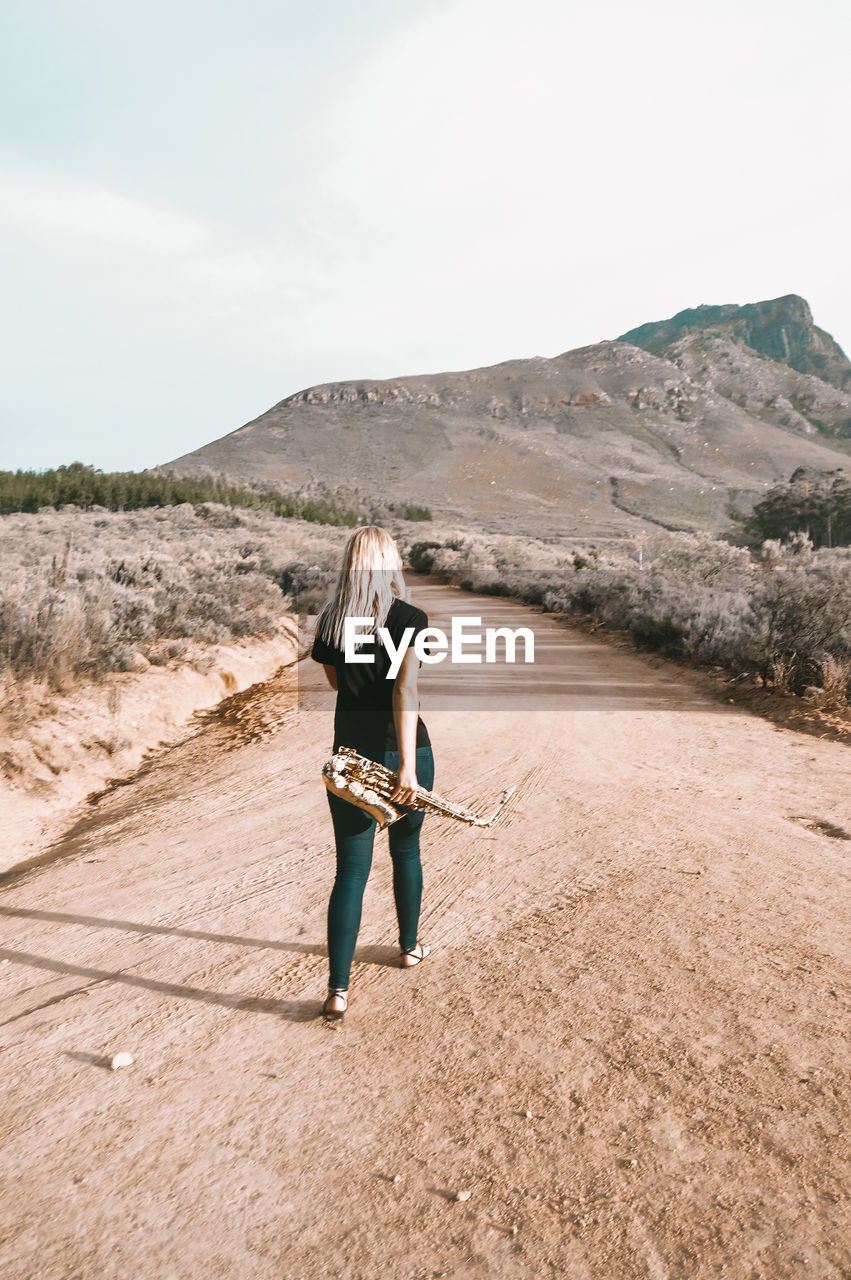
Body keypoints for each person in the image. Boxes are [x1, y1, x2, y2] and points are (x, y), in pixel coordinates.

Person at [310, 526, 435, 1024]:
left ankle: (337, 990)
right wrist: (405, 764)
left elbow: (337, 682)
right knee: (406, 850)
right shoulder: (409, 618)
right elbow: (404, 693)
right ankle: (409, 947)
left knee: (351, 872)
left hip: (348, 756)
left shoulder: (330, 622)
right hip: (403, 750)